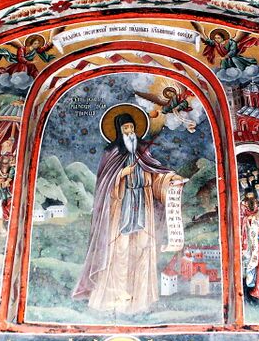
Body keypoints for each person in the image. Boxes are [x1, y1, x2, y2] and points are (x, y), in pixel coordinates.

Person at [72, 112, 183, 313]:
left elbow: (155, 173)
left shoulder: (143, 152)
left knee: (142, 248)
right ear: (119, 131)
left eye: (132, 128)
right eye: (126, 129)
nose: (130, 131)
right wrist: (121, 174)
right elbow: (104, 184)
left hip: (143, 205)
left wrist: (169, 178)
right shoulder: (112, 153)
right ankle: (113, 299)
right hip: (120, 209)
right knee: (119, 251)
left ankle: (140, 301)